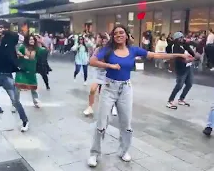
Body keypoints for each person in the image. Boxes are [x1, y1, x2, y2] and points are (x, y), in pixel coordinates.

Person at [87, 25, 192, 167]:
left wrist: (179, 55)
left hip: (125, 89)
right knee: (101, 123)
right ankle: (94, 153)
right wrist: (110, 66)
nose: (119, 35)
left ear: (126, 34)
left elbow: (156, 55)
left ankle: (123, 150)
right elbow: (92, 61)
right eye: (116, 33)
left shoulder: (133, 50)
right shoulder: (108, 49)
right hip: (109, 88)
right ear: (113, 36)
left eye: (121, 32)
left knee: (126, 123)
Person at [0, 20, 29, 132]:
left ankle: (25, 121)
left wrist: (5, 31)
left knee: (15, 101)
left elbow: (21, 37)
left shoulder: (10, 39)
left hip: (7, 75)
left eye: (2, 27)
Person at [83, 33, 117, 116]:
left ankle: (113, 106)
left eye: (106, 39)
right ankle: (90, 107)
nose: (104, 41)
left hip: (108, 72)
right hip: (98, 71)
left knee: (111, 91)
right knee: (92, 90)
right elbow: (93, 58)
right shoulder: (98, 49)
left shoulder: (111, 49)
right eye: (103, 39)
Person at [15, 34, 49, 108]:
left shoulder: (37, 49)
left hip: (31, 71)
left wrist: (42, 42)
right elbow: (16, 53)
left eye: (33, 39)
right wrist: (21, 55)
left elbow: (46, 51)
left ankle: (36, 101)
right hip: (22, 70)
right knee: (17, 87)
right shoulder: (23, 47)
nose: (32, 41)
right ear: (27, 40)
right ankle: (15, 103)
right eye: (30, 39)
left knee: (33, 88)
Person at [166, 32, 198, 109]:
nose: (182, 39)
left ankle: (181, 99)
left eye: (182, 37)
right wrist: (191, 59)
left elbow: (192, 52)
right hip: (181, 67)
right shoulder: (175, 46)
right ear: (176, 39)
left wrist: (193, 56)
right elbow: (178, 58)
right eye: (180, 38)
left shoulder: (184, 45)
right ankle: (170, 101)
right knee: (179, 85)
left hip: (188, 67)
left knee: (189, 83)